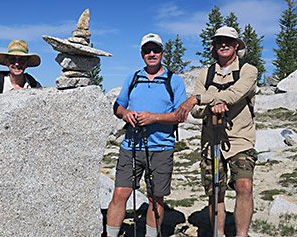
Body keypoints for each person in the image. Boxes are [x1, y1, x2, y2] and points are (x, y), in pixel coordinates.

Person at [175, 26, 258, 237]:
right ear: (214, 45)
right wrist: (211, 104)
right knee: (215, 192)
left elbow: (235, 95)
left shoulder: (249, 70)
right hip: (211, 141)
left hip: (240, 139)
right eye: (219, 40)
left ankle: (242, 234)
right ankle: (218, 234)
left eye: (229, 41)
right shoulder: (206, 73)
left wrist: (202, 98)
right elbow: (196, 112)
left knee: (244, 186)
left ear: (236, 45)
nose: (224, 44)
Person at [106, 33, 187, 237]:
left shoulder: (174, 80)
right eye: (147, 50)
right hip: (130, 147)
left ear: (162, 52)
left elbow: (180, 115)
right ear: (142, 54)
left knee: (155, 198)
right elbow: (118, 106)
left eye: (156, 50)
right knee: (120, 194)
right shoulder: (133, 78)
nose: (152, 54)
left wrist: (154, 118)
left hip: (160, 148)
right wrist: (125, 114)